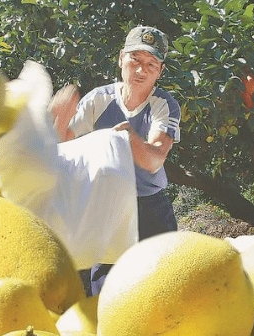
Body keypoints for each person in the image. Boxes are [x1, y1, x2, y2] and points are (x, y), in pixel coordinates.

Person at [50, 25, 181, 295]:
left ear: (160, 71)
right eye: (135, 59)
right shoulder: (99, 99)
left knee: (163, 284)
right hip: (104, 204)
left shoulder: (164, 104)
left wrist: (130, 138)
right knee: (109, 289)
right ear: (121, 58)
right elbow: (62, 146)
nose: (141, 70)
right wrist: (57, 121)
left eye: (151, 64)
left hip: (150, 207)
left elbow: (154, 160)